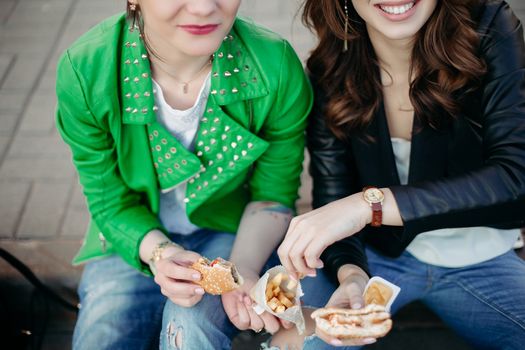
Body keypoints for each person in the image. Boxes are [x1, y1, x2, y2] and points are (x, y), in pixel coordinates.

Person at [55, 1, 338, 349]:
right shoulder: (86, 70)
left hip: (231, 229)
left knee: (190, 329)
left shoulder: (274, 66)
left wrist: (243, 270)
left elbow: (273, 195)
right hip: (129, 234)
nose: (204, 7)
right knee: (102, 335)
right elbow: (109, 201)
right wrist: (160, 253)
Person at [275, 0, 525, 348]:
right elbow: (333, 196)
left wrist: (368, 206)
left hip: (480, 255)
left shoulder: (488, 24)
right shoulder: (332, 65)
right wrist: (351, 275)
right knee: (299, 339)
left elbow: (516, 177)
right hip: (379, 255)